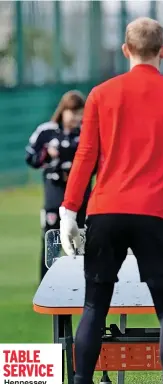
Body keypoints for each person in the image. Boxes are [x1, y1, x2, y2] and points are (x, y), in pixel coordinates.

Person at [58, 17, 163, 384]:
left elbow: (85, 157)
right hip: (155, 216)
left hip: (105, 212)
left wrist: (68, 212)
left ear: (125, 50)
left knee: (93, 306)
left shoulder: (101, 95)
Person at [25, 90, 92, 282]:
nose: (76, 118)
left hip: (81, 197)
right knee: (52, 242)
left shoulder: (87, 133)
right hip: (55, 195)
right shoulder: (47, 131)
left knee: (81, 241)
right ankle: (48, 285)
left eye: (80, 113)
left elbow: (97, 162)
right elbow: (31, 157)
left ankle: (83, 285)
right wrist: (47, 154)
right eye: (73, 112)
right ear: (63, 111)